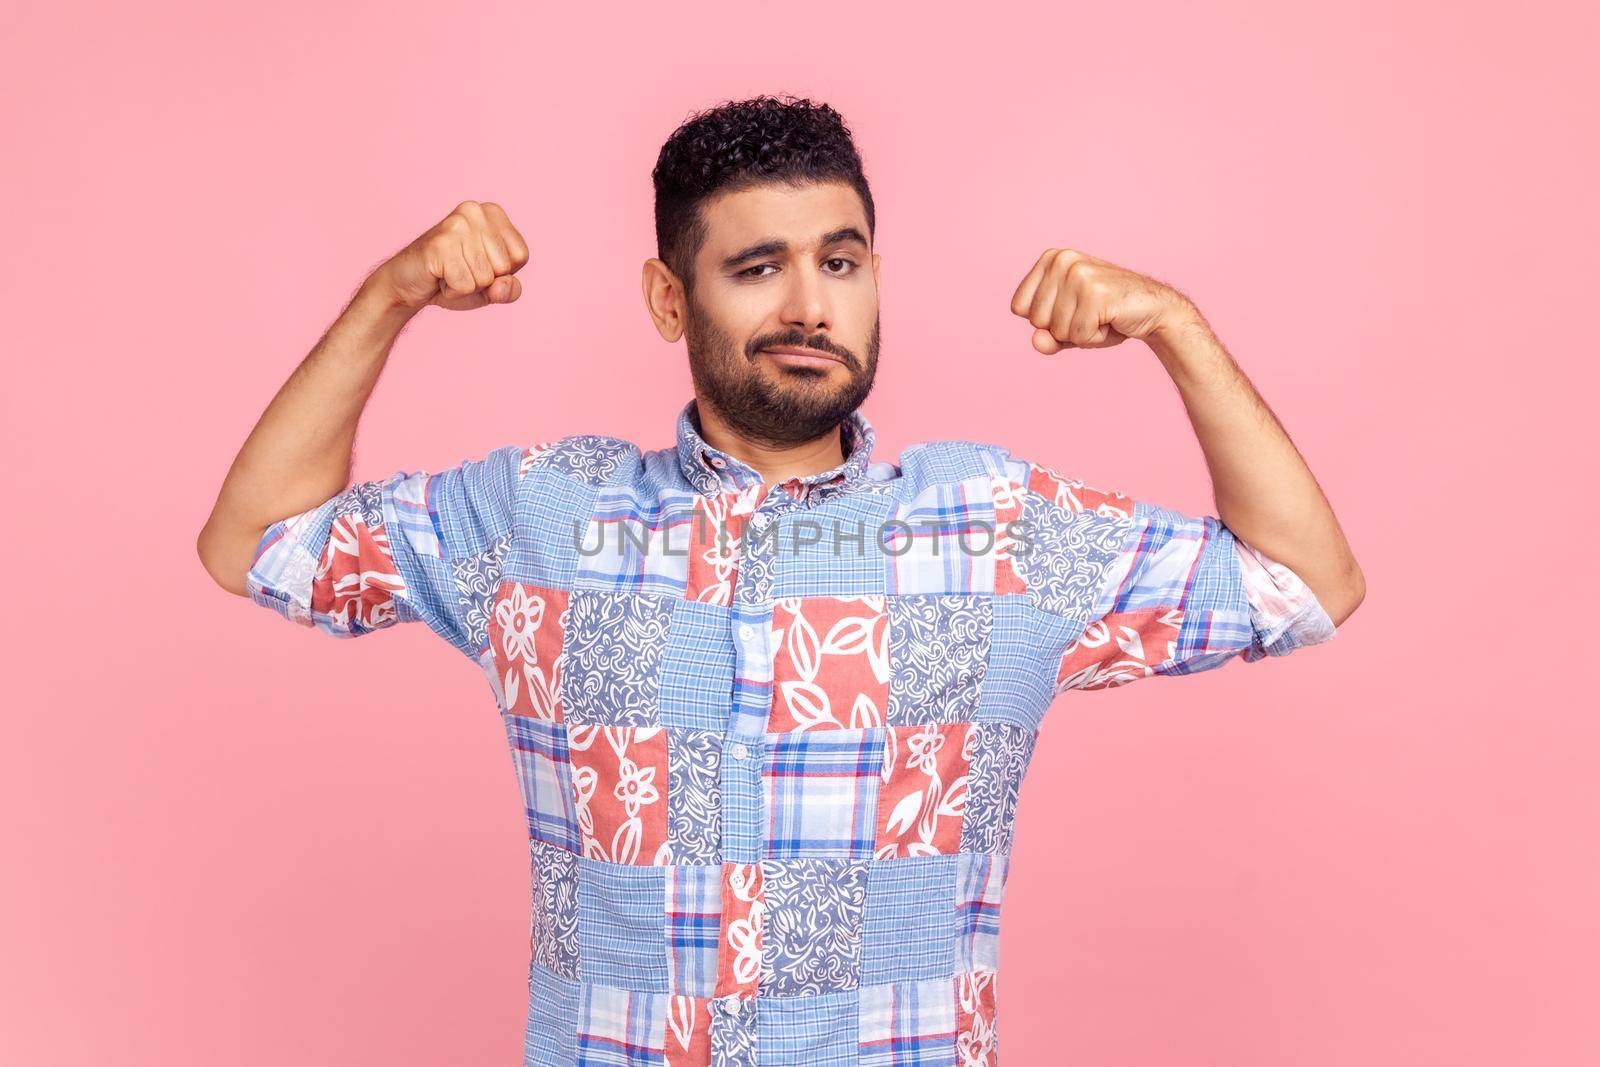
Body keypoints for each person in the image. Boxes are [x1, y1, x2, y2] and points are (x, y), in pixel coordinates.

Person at [198, 93, 1363, 1066]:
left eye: (840, 261)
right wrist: (391, 294)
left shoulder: (999, 525)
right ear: (671, 299)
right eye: (757, 267)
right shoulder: (538, 515)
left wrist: (1176, 326)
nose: (809, 303)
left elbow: (1302, 584)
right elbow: (259, 544)